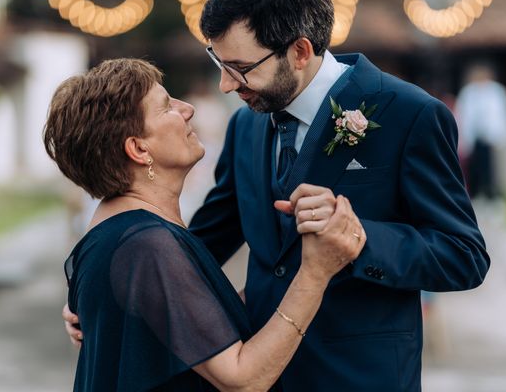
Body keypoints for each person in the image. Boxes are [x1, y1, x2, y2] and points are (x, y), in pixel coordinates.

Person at [65, 0, 490, 391]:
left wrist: (360, 238)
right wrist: (113, 294)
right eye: (220, 64)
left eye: (241, 69)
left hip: (360, 377)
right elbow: (202, 241)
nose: (227, 86)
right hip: (259, 372)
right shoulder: (245, 125)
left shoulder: (410, 114)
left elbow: (464, 255)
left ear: (300, 51)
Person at [45, 58, 365, 391]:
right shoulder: (146, 247)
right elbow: (244, 381)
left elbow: (191, 323)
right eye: (167, 106)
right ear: (139, 149)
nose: (188, 109)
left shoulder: (120, 233)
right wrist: (315, 274)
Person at [455, 62, 506, 199]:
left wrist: (500, 134)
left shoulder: (497, 92)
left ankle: (491, 194)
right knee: (474, 168)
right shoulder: (469, 92)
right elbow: (463, 115)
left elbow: (502, 113)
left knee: (490, 168)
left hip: (490, 137)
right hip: (474, 137)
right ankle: (474, 194)